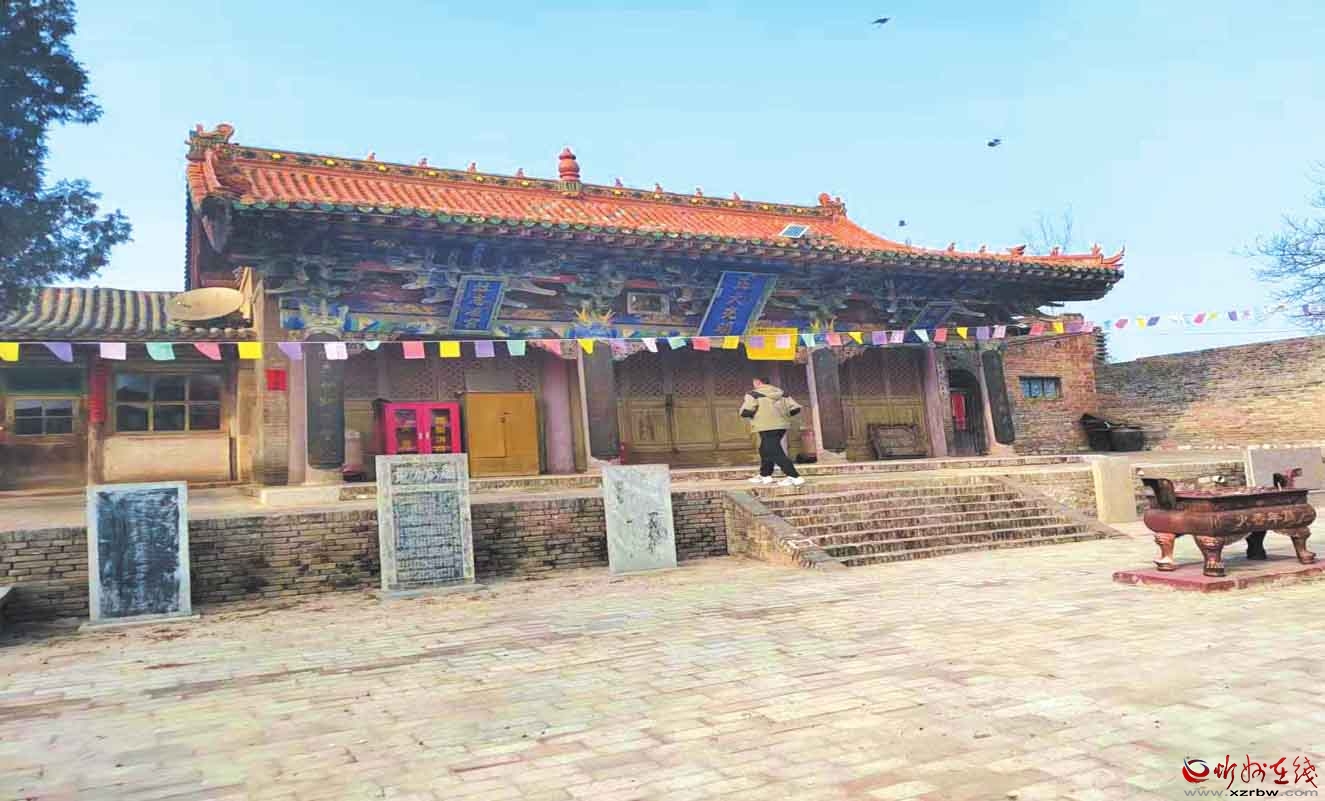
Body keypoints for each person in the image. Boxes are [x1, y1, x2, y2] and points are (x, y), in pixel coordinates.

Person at [739, 377, 805, 487]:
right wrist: (783, 416)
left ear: (757, 382)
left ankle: (794, 476)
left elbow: (746, 411)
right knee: (765, 449)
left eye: (754, 382)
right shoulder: (782, 393)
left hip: (765, 426)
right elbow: (795, 408)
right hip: (781, 425)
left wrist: (755, 415)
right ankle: (765, 475)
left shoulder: (753, 394)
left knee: (774, 451)